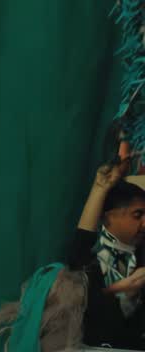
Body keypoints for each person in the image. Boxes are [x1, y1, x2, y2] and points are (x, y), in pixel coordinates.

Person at [67, 150, 145, 349]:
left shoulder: (141, 256)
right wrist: (100, 188)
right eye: (138, 215)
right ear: (108, 217)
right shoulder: (91, 260)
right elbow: (82, 242)